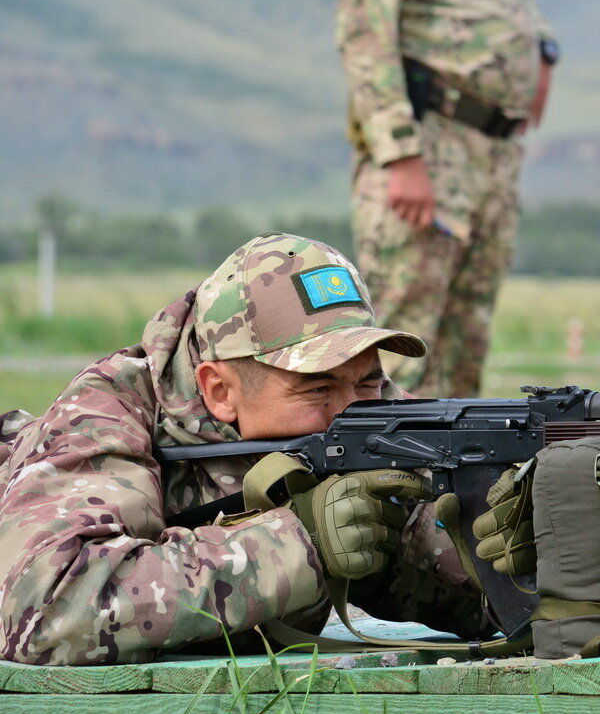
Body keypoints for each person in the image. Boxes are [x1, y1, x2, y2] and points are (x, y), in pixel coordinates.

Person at [0, 233, 493, 666]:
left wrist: (513, 537)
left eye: (366, 382)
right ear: (219, 390)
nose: (351, 413)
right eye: (317, 389)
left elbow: (459, 571)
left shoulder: (376, 415)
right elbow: (45, 608)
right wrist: (299, 546)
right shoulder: (107, 412)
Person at [331, 0, 558, 398]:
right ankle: (391, 462)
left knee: (466, 345)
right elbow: (367, 38)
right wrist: (401, 154)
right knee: (403, 347)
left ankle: (456, 461)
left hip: (492, 152)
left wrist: (544, 48)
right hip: (430, 144)